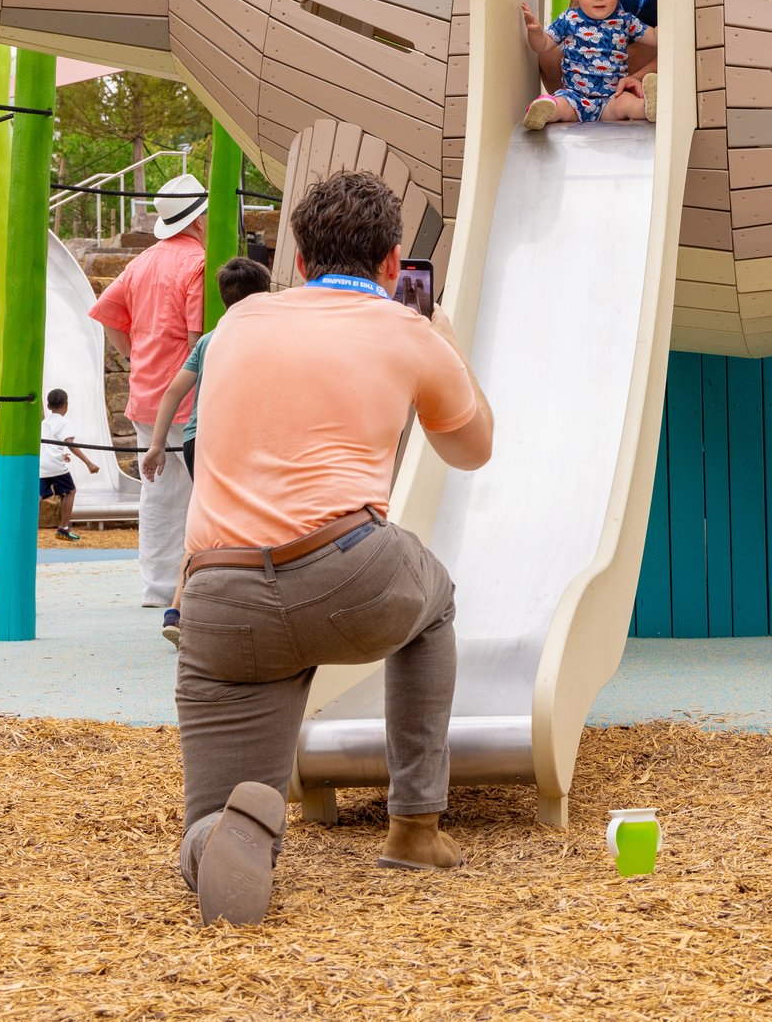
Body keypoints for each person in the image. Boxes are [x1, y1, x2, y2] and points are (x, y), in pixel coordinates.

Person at [174, 170, 494, 926]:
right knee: (435, 600)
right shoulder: (408, 331)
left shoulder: (239, 324)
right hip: (348, 577)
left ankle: (219, 838)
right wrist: (444, 342)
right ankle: (415, 827)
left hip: (219, 599)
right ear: (393, 262)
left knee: (207, 813)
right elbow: (473, 449)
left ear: (296, 255)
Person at [90, 173, 209, 612]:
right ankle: (194, 584)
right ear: (199, 220)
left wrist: (134, 355)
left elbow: (107, 314)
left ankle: (157, 588)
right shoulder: (199, 264)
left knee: (157, 494)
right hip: (189, 396)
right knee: (200, 492)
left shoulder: (141, 263)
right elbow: (197, 338)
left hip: (146, 393)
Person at [145, 255, 274, 645]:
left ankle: (177, 610)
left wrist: (156, 446)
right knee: (253, 522)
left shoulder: (208, 340)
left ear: (224, 298)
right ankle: (243, 609)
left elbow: (173, 392)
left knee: (203, 522)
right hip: (237, 439)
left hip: (196, 439)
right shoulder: (268, 336)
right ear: (265, 293)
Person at [520, 0, 657, 130]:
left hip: (611, 98)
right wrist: (536, 32)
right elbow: (543, 45)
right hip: (574, 97)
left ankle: (649, 107)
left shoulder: (625, 20)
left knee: (627, 104)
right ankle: (542, 110)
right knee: (560, 106)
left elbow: (655, 38)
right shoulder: (569, 19)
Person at [39, 388, 97, 542]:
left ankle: (25, 525)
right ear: (66, 405)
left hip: (42, 465)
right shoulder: (63, 422)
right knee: (70, 491)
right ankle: (64, 528)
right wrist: (88, 463)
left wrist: (60, 455)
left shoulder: (44, 422)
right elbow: (70, 444)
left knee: (39, 495)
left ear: (48, 406)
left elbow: (47, 445)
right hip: (55, 466)